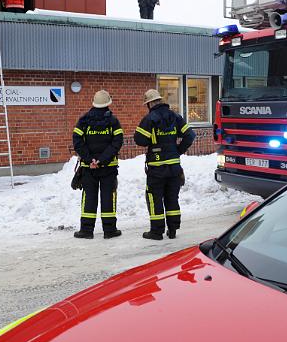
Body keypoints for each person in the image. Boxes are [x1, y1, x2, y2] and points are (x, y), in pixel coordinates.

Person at [134, 89, 195, 240]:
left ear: (149, 103)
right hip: (174, 167)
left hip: (157, 167)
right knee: (172, 197)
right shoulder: (175, 116)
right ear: (160, 100)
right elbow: (190, 135)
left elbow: (139, 140)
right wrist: (178, 151)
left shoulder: (150, 118)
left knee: (155, 198)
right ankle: (173, 230)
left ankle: (156, 231)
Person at [72, 90, 124, 239]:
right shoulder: (113, 121)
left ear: (94, 102)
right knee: (108, 197)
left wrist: (90, 160)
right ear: (108, 103)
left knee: (89, 197)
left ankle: (86, 231)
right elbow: (117, 142)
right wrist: (102, 160)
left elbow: (77, 142)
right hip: (108, 168)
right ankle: (110, 230)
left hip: (89, 169)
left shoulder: (84, 120)